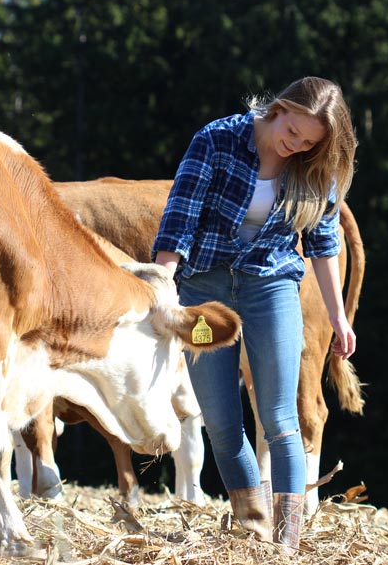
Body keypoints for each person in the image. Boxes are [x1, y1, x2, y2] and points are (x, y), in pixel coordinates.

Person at [152, 76, 358, 551]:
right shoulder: (217, 139)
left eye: (309, 142)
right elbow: (179, 220)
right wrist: (164, 289)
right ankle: (254, 526)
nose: (296, 146)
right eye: (293, 133)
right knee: (222, 424)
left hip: (272, 288)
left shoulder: (312, 164)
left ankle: (284, 546)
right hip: (205, 291)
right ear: (279, 108)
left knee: (280, 418)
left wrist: (338, 318)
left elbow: (324, 245)